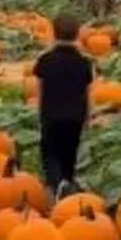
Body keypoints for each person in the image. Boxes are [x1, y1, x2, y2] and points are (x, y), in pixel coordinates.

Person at [33, 14, 94, 199]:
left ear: (53, 32)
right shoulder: (84, 62)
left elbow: (40, 90)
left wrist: (39, 113)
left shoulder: (45, 60)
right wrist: (88, 116)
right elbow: (88, 93)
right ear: (77, 34)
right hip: (75, 116)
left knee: (50, 153)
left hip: (51, 115)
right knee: (70, 152)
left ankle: (58, 183)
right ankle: (67, 182)